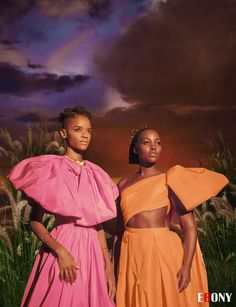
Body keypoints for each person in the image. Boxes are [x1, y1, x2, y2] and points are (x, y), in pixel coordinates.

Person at [8, 106, 118, 307]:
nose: (85, 135)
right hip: (64, 247)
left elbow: (97, 224)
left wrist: (108, 265)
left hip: (93, 250)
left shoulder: (97, 174)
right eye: (78, 130)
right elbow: (35, 221)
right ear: (63, 133)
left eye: (88, 130)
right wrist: (60, 251)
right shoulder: (51, 169)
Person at [114, 127, 229, 307]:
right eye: (146, 142)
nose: (153, 147)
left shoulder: (169, 180)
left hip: (162, 251)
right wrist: (114, 268)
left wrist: (186, 266)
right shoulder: (122, 184)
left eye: (158, 143)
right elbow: (119, 231)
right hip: (132, 251)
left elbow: (190, 228)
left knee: (164, 299)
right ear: (135, 148)